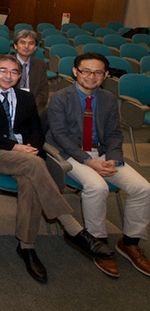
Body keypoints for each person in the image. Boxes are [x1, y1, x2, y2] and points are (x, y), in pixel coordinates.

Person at [0, 54, 115, 283]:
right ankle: (73, 227)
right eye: (3, 70)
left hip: (29, 155)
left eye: (14, 72)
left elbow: (37, 130)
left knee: (30, 181)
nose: (8, 76)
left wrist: (33, 147)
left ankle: (27, 247)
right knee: (35, 166)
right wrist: (15, 147)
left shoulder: (26, 98)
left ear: (19, 76)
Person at [46, 53, 150, 277]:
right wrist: (88, 160)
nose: (91, 76)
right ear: (75, 72)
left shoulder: (108, 99)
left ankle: (130, 242)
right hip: (71, 152)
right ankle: (98, 242)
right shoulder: (60, 98)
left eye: (98, 72)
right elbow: (60, 135)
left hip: (102, 152)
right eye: (86, 71)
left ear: (106, 75)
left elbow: (114, 134)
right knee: (97, 187)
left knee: (143, 188)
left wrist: (112, 157)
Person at [13, 29, 48, 111]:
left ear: (35, 47)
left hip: (33, 107)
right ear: (15, 45)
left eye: (31, 43)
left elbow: (43, 93)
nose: (26, 46)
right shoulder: (6, 64)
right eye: (23, 42)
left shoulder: (41, 65)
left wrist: (32, 108)